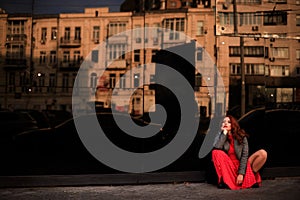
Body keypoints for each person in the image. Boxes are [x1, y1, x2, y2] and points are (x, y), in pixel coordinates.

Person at [212, 115, 267, 190]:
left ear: (233, 124)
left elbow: (244, 155)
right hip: (229, 166)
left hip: (241, 163)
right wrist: (224, 133)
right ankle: (225, 180)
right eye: (223, 122)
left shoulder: (241, 136)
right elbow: (217, 147)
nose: (225, 123)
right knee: (216, 152)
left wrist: (241, 173)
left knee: (263, 153)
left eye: (229, 122)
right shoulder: (220, 135)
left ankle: (250, 175)